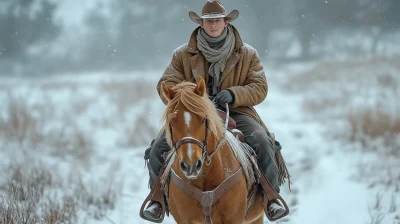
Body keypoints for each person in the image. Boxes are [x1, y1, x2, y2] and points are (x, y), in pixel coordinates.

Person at [142, 0, 290, 222]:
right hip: (193, 114)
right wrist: (191, 99)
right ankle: (157, 200)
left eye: (217, 20)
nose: (213, 25)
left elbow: (260, 87)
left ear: (226, 22)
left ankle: (271, 197)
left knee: (261, 141)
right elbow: (166, 85)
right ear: (201, 23)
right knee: (157, 149)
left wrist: (234, 94)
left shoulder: (247, 53)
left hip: (236, 112)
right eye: (209, 21)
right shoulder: (181, 55)